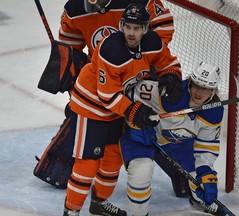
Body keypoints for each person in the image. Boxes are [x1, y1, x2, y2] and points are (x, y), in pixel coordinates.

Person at [34, 0, 175, 215]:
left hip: (120, 103)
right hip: (93, 106)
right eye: (128, 27)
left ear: (145, 29)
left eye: (137, 28)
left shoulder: (151, 41)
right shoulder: (111, 50)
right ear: (121, 26)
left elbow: (166, 58)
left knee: (112, 160)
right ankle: (71, 211)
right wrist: (134, 110)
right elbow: (107, 94)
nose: (131, 33)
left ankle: (99, 203)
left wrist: (169, 75)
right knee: (88, 164)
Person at [120, 61, 224, 216]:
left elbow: (206, 146)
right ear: (190, 82)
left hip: (174, 141)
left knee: (199, 175)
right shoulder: (168, 92)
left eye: (205, 88)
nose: (199, 92)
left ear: (213, 90)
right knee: (142, 172)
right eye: (196, 85)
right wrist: (133, 122)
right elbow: (124, 93)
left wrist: (206, 172)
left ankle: (201, 201)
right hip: (142, 137)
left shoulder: (213, 111)